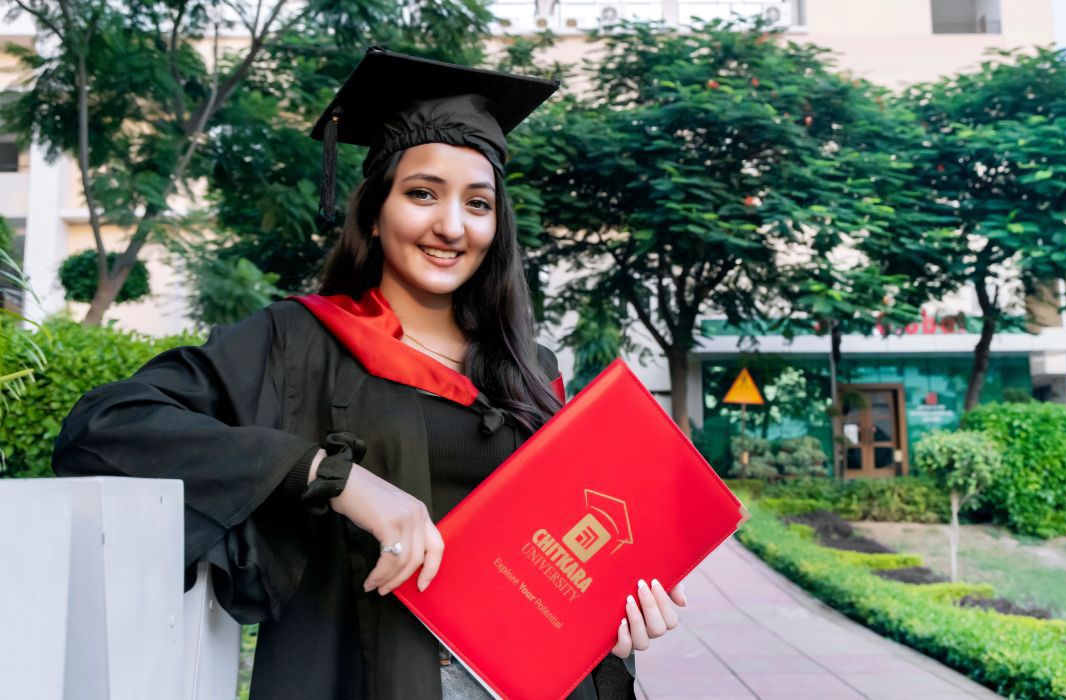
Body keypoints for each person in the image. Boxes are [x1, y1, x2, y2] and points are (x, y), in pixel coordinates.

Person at [51, 47, 686, 699]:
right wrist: (333, 477)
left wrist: (615, 609)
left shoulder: (530, 369)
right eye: (422, 194)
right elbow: (103, 427)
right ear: (375, 212)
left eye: (478, 203)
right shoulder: (300, 341)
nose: (451, 226)